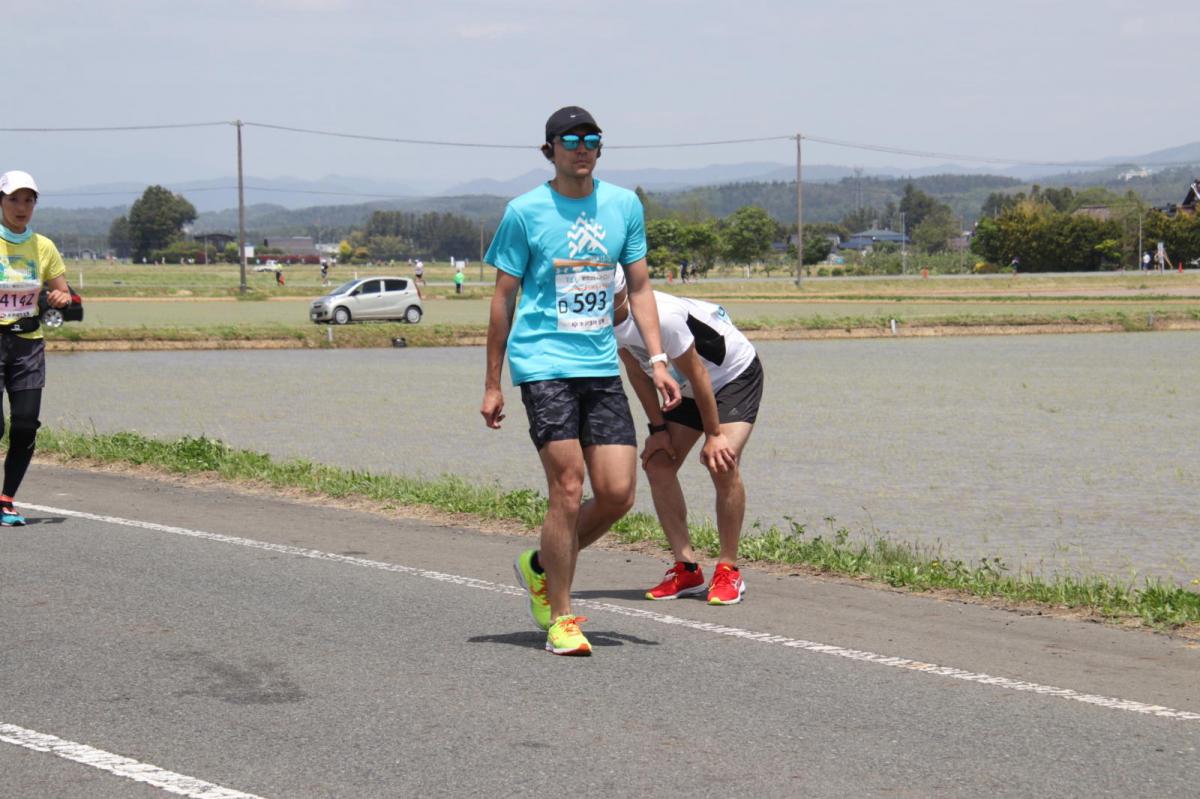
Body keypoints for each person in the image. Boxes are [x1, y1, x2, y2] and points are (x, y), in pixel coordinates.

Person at [481, 106, 681, 656]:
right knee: (568, 488)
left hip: (599, 365)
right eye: (571, 139)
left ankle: (542, 565)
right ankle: (562, 617)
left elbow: (638, 289)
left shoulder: (623, 206)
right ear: (549, 149)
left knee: (616, 494)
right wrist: (493, 382)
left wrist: (658, 360)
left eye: (592, 138)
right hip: (543, 364)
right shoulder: (524, 213)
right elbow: (503, 298)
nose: (583, 146)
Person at [611, 267, 763, 605]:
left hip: (730, 376)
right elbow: (637, 371)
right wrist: (658, 430)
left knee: (721, 460)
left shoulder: (660, 317)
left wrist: (714, 434)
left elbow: (699, 373)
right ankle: (686, 568)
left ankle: (728, 570)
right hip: (685, 385)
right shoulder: (603, 324)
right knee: (659, 464)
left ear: (621, 292)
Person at [0, 170, 72, 526]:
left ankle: (6, 500)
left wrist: (61, 297)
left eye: (28, 200)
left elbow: (68, 297)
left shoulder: (43, 247)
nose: (21, 207)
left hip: (28, 345)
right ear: (1, 201)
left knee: (26, 425)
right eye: (14, 199)